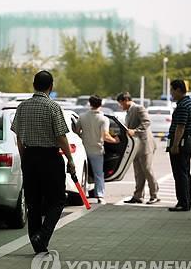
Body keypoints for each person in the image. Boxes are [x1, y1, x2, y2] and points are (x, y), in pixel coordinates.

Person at [11, 70, 76, 254]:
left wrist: (25, 159)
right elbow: (61, 137)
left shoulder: (22, 107)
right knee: (57, 200)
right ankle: (43, 236)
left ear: (34, 85)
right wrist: (70, 159)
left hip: (30, 157)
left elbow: (18, 137)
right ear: (51, 86)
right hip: (50, 158)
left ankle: (36, 241)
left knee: (33, 202)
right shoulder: (53, 107)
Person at [117, 92, 160, 204]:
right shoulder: (128, 112)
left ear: (126, 100)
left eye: (121, 103)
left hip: (145, 145)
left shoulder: (138, 108)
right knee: (138, 172)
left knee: (147, 169)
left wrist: (135, 131)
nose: (120, 106)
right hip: (135, 146)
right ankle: (138, 196)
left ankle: (154, 195)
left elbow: (146, 122)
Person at [75, 95, 119, 205]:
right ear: (101, 104)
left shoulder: (82, 116)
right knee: (98, 174)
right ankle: (99, 196)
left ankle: (82, 193)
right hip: (97, 150)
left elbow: (76, 130)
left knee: (82, 172)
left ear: (90, 104)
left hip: (84, 150)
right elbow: (105, 136)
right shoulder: (103, 119)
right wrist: (115, 141)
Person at [167, 79, 191, 212]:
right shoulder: (189, 103)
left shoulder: (183, 106)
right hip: (187, 141)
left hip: (181, 142)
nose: (171, 93)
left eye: (172, 90)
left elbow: (180, 127)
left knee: (180, 173)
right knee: (185, 173)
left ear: (178, 90)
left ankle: (183, 203)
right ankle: (186, 201)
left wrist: (175, 145)